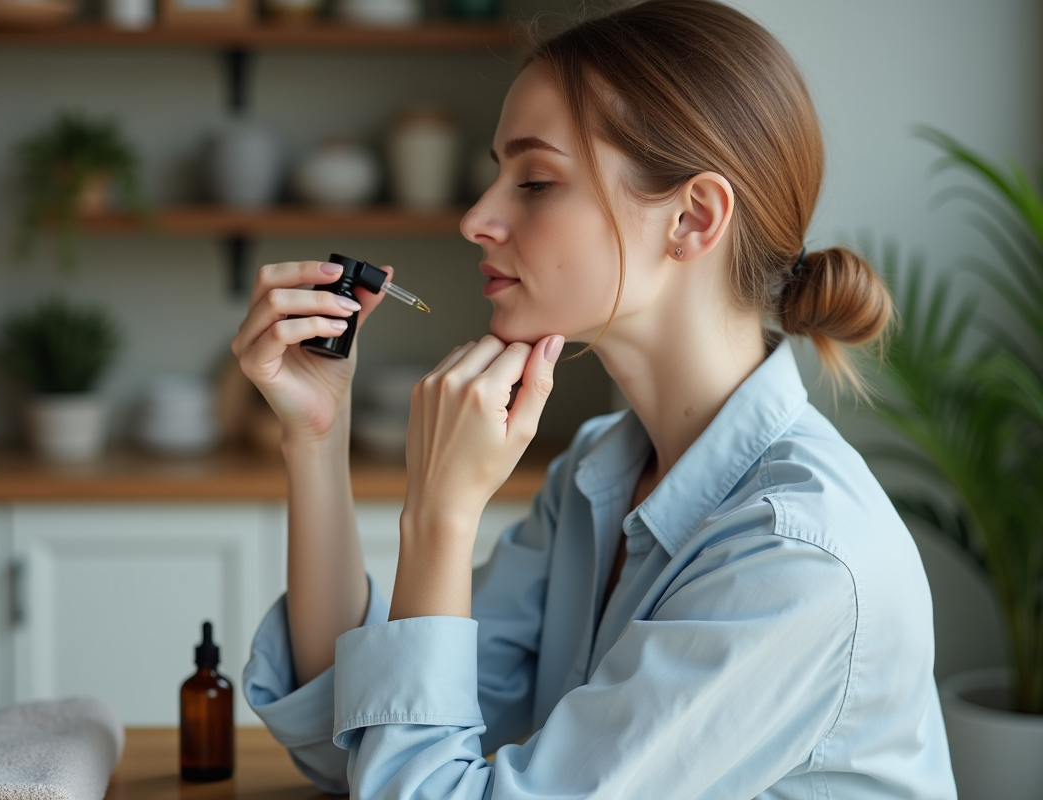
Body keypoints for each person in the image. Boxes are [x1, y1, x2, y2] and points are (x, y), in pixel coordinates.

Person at [231, 0, 957, 796]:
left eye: (535, 181)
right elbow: (367, 740)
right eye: (495, 176)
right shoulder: (596, 474)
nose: (477, 218)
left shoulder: (796, 562)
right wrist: (316, 439)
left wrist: (437, 518)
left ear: (692, 218)